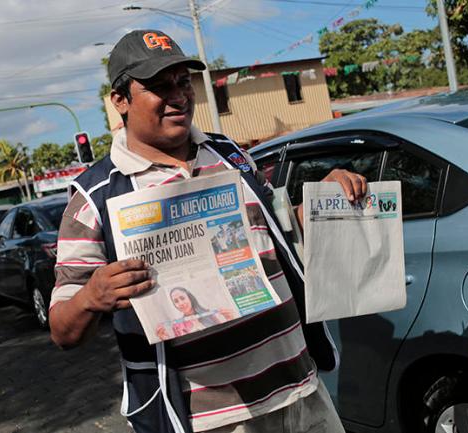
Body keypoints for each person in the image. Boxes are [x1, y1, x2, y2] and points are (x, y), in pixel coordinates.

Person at [49, 29, 367, 433]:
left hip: (300, 388)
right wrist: (93, 296)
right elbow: (62, 329)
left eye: (183, 82)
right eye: (159, 87)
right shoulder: (95, 198)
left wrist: (329, 197)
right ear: (120, 101)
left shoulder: (229, 154)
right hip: (212, 420)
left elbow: (278, 231)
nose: (178, 96)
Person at [156, 287, 235, 340]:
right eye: (176, 301)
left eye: (182, 298)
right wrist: (165, 339)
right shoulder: (177, 325)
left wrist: (230, 320)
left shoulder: (210, 314)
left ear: (190, 298)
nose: (180, 303)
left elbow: (226, 335)